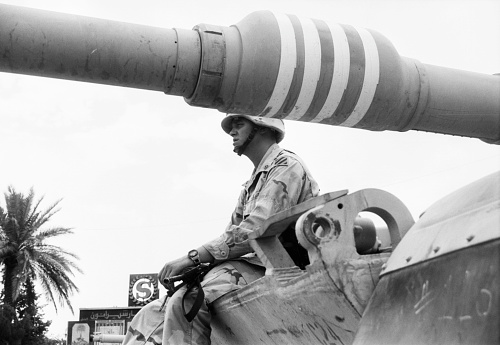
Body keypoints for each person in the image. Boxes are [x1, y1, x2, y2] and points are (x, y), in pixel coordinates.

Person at [122, 114, 319, 345]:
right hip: (248, 265)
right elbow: (231, 235)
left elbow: (254, 230)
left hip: (277, 264)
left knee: (188, 301)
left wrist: (192, 257)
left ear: (263, 128)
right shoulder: (251, 184)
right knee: (150, 314)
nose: (232, 132)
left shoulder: (286, 166)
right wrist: (197, 266)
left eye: (239, 125)